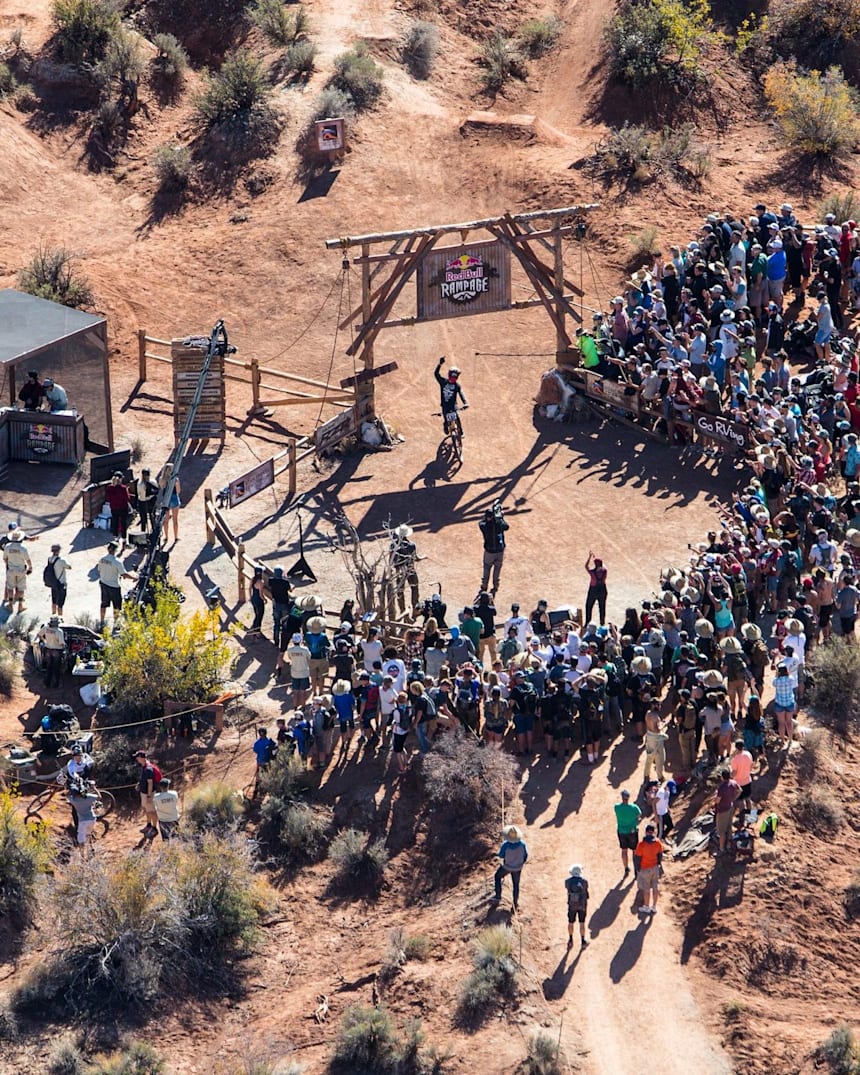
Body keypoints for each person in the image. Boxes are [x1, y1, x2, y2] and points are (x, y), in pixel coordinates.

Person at [96, 542, 134, 629]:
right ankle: (116, 624)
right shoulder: (117, 562)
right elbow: (124, 574)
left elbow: (99, 570)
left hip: (103, 584)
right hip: (114, 587)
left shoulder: (102, 559)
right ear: (115, 550)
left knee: (104, 603)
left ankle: (102, 622)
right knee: (116, 606)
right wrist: (134, 578)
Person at [492, 824, 528, 910]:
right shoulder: (522, 844)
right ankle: (515, 904)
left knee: (497, 876)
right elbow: (525, 856)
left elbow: (501, 855)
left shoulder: (505, 844)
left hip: (507, 867)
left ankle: (498, 896)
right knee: (516, 885)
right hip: (518, 868)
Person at [434, 355, 468, 436]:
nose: (453, 378)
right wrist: (440, 364)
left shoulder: (457, 386)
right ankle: (445, 424)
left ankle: (461, 432)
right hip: (445, 405)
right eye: (452, 376)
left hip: (453, 405)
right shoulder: (443, 382)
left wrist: (465, 402)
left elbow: (461, 393)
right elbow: (436, 374)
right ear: (449, 375)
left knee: (457, 418)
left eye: (455, 376)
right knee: (446, 418)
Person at [633, 823, 663, 914]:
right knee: (655, 887)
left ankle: (646, 906)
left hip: (645, 868)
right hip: (655, 868)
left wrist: (637, 869)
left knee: (646, 889)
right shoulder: (658, 842)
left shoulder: (641, 844)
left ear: (646, 832)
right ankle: (654, 906)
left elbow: (637, 858)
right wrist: (658, 864)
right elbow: (660, 855)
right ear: (653, 832)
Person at [479, 502, 508, 595]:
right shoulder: (499, 524)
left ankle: (484, 586)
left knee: (487, 568)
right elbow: (506, 526)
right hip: (500, 550)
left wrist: (495, 517)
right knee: (497, 568)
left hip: (489, 552)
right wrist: (500, 518)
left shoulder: (484, 526)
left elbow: (481, 522)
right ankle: (495, 586)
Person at [390, 524, 421, 613]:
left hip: (399, 572)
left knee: (400, 592)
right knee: (414, 588)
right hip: (410, 570)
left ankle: (402, 610)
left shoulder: (393, 546)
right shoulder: (412, 545)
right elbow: (415, 558)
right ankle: (415, 609)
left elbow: (391, 561)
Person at [3, 527, 32, 612]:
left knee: (10, 587)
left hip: (11, 569)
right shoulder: (23, 548)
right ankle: (20, 605)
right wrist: (30, 567)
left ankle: (10, 605)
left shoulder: (7, 547)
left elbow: (5, 558)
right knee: (21, 588)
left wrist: (9, 564)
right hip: (21, 570)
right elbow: (28, 560)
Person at [614, 789, 641, 877]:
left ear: (622, 797)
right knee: (635, 851)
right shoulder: (634, 807)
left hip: (622, 832)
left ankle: (626, 868)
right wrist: (635, 823)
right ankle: (636, 870)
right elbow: (639, 816)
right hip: (632, 831)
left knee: (624, 850)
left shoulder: (617, 807)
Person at [67, 780, 100, 851]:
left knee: (81, 839)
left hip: (83, 821)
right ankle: (91, 847)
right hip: (92, 819)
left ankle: (82, 856)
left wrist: (71, 790)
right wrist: (94, 788)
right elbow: (99, 797)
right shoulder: (88, 797)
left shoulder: (74, 800)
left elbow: (67, 795)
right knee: (88, 833)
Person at [714, 767, 741, 854]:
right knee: (729, 827)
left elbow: (718, 800)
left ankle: (721, 848)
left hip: (723, 810)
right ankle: (729, 845)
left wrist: (715, 800)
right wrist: (733, 798)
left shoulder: (721, 788)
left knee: (722, 831)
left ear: (722, 777)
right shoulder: (733, 782)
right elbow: (740, 790)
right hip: (730, 807)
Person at [133, 749, 160, 838]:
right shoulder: (144, 766)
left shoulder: (148, 769)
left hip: (148, 794)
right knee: (147, 809)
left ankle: (154, 828)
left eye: (137, 757)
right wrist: (139, 784)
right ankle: (149, 825)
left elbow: (150, 783)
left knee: (152, 811)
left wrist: (149, 796)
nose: (136, 759)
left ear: (141, 758)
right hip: (144, 793)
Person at [565, 864, 590, 948]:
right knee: (582, 923)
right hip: (582, 905)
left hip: (572, 905)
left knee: (571, 922)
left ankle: (570, 940)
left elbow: (567, 888)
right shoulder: (584, 881)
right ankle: (583, 941)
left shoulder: (567, 881)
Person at [104, 472, 132, 548]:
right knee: (123, 524)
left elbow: (108, 499)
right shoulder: (123, 488)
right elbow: (127, 499)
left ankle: (115, 539)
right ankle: (124, 540)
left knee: (115, 523)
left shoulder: (109, 488)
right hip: (123, 508)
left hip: (114, 508)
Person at [38, 616, 66, 688]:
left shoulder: (45, 628)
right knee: (56, 668)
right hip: (56, 650)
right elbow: (61, 643)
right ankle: (56, 684)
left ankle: (46, 683)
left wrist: (44, 641)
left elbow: (39, 635)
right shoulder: (59, 631)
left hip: (48, 649)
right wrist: (65, 647)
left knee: (49, 667)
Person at [268, 566, 292, 649]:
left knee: (276, 624)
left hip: (276, 604)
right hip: (284, 604)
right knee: (285, 624)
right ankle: (284, 642)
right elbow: (290, 589)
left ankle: (276, 641)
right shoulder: (285, 582)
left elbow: (270, 582)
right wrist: (285, 578)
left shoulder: (271, 581)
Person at [286, 632, 312, 707]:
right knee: (303, 692)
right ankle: (303, 706)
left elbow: (290, 657)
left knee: (295, 691)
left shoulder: (290, 650)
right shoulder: (305, 649)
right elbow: (309, 657)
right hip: (304, 673)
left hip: (294, 673)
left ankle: (295, 706)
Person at [158, 462, 181, 542]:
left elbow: (162, 488)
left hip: (166, 499)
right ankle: (176, 537)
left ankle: (166, 537)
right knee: (175, 520)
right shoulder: (175, 479)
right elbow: (178, 491)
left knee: (166, 520)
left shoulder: (161, 479)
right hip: (174, 498)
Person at [44, 542, 70, 616]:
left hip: (53, 583)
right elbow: (69, 567)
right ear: (58, 551)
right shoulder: (61, 561)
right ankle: (60, 618)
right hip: (61, 583)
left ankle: (53, 615)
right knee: (60, 604)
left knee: (54, 601)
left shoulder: (49, 559)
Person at [584, 552, 608, 626]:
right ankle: (602, 622)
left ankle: (588, 622)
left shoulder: (592, 572)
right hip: (603, 590)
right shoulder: (604, 571)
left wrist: (590, 557)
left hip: (593, 590)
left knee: (589, 606)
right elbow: (604, 566)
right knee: (602, 607)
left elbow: (586, 566)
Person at [135, 468, 159, 533]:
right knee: (152, 517)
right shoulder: (152, 482)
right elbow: (156, 491)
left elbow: (139, 494)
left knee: (143, 519)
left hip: (142, 502)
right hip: (151, 501)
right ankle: (154, 532)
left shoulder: (139, 483)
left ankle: (143, 533)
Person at [248, 567, 267, 636]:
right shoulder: (261, 582)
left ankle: (254, 628)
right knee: (260, 616)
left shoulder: (253, 579)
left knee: (256, 614)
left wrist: (250, 597)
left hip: (253, 598)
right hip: (259, 600)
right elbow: (261, 594)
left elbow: (249, 588)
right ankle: (257, 631)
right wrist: (265, 600)